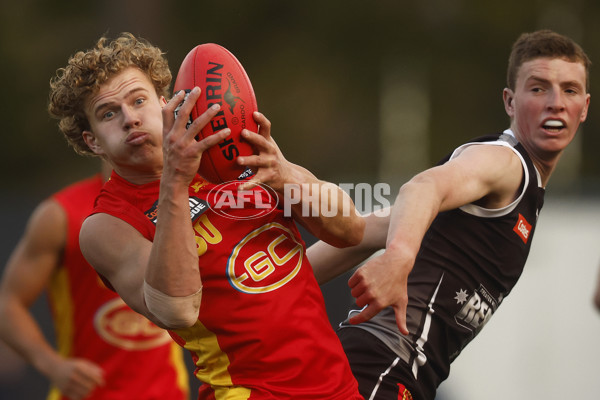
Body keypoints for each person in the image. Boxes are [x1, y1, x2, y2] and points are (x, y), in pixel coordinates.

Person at [47, 32, 365, 399]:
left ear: (165, 104)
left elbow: (350, 230)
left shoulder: (235, 153)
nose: (130, 119)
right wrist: (176, 182)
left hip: (338, 389)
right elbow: (177, 310)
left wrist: (286, 176)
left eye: (139, 101)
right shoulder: (106, 224)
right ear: (93, 141)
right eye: (109, 113)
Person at [308, 29, 591, 400]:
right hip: (384, 366)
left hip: (377, 366)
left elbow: (364, 230)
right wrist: (399, 257)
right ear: (509, 101)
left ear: (584, 107)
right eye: (538, 88)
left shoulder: (510, 186)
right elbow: (421, 187)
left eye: (569, 90)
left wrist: (259, 287)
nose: (555, 102)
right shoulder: (505, 163)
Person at [0, 160, 190, 400]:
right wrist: (52, 365)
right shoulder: (60, 214)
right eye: (110, 118)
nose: (131, 122)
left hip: (170, 394)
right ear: (91, 138)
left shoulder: (183, 200)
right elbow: (8, 305)